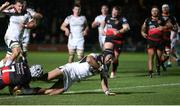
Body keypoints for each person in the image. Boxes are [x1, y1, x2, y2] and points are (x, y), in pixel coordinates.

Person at [39, 53, 115, 96]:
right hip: (69, 69)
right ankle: (30, 77)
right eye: (109, 57)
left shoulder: (104, 68)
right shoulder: (96, 56)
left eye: (111, 59)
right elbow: (89, 59)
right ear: (105, 56)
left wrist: (107, 92)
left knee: (52, 92)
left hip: (72, 79)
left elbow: (104, 81)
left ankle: (34, 91)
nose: (110, 60)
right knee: (47, 78)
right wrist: (99, 68)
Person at [0, 0, 42, 69]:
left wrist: (25, 26)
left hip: (18, 39)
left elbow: (33, 24)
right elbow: (1, 13)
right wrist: (3, 6)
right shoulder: (12, 11)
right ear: (15, 5)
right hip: (10, 37)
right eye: (19, 6)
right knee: (17, 51)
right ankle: (5, 71)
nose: (20, 8)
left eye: (22, 6)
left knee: (8, 58)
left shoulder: (27, 13)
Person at [102, 6, 130, 78]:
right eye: (114, 11)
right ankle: (106, 71)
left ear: (119, 13)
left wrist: (118, 31)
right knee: (107, 55)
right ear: (112, 11)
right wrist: (102, 30)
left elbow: (127, 27)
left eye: (116, 12)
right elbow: (103, 23)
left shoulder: (122, 19)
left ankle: (113, 71)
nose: (114, 13)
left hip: (118, 40)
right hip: (109, 39)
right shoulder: (108, 17)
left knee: (115, 57)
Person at [141, 6, 167, 77]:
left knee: (158, 58)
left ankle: (158, 67)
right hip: (151, 40)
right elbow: (143, 28)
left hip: (160, 41)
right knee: (151, 56)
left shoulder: (162, 19)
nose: (154, 12)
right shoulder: (147, 20)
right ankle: (150, 72)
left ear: (158, 12)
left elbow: (169, 26)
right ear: (151, 12)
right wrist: (143, 33)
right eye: (153, 11)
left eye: (156, 10)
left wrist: (163, 27)